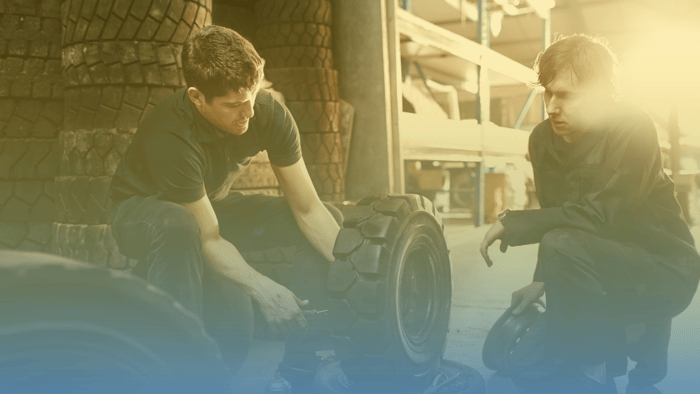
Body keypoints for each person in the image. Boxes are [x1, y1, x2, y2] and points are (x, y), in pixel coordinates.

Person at [108, 25, 342, 390]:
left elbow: (309, 209)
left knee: (234, 341)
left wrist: (357, 277)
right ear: (197, 97)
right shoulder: (168, 134)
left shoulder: (265, 112)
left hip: (207, 211)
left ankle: (302, 366)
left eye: (253, 95)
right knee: (178, 225)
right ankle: (172, 376)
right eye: (234, 105)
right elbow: (208, 236)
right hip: (145, 215)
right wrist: (266, 290)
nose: (249, 112)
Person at [480, 34, 700, 391]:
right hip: (602, 262)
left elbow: (601, 216)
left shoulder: (633, 127)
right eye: (547, 93)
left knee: (570, 360)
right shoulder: (541, 139)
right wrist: (541, 279)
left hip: (664, 269)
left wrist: (514, 222)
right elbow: (558, 215)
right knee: (523, 365)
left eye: (565, 95)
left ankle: (599, 362)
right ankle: (606, 349)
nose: (551, 107)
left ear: (600, 93)